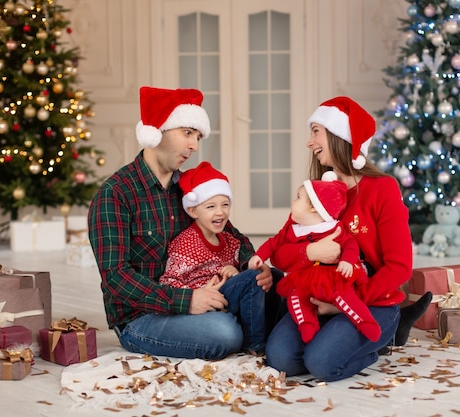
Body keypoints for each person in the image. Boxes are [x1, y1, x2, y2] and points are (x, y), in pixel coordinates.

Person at [88, 86, 273, 360]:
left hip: (204, 293)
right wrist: (187, 301)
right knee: (225, 333)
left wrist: (251, 263)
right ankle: (253, 327)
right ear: (158, 130)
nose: (194, 146)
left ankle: (258, 321)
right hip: (141, 318)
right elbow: (116, 278)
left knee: (273, 281)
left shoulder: (190, 189)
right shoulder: (115, 193)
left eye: (197, 136)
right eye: (187, 133)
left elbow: (233, 236)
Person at [264, 96, 432, 382]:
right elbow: (279, 254)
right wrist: (311, 252)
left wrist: (345, 303)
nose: (309, 142)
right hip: (317, 297)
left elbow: (399, 267)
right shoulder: (316, 192)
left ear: (340, 137)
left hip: (372, 301)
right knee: (281, 360)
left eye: (316, 131)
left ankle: (385, 337)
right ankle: (341, 339)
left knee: (321, 364)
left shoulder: (383, 190)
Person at [248, 172, 380, 343]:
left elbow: (350, 244)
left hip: (331, 277)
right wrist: (260, 255)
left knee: (345, 297)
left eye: (298, 198)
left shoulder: (334, 228)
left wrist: (347, 260)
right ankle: (307, 324)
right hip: (305, 279)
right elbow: (274, 243)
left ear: (313, 207)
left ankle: (364, 321)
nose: (292, 202)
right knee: (295, 297)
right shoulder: (294, 229)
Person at [159, 161, 265, 353]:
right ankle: (254, 346)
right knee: (251, 278)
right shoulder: (186, 243)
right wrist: (196, 293)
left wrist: (235, 270)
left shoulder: (230, 241)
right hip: (201, 303)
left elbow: (236, 271)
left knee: (268, 277)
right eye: (210, 207)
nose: (220, 212)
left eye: (225, 204)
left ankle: (268, 333)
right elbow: (169, 282)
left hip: (225, 296)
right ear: (192, 211)